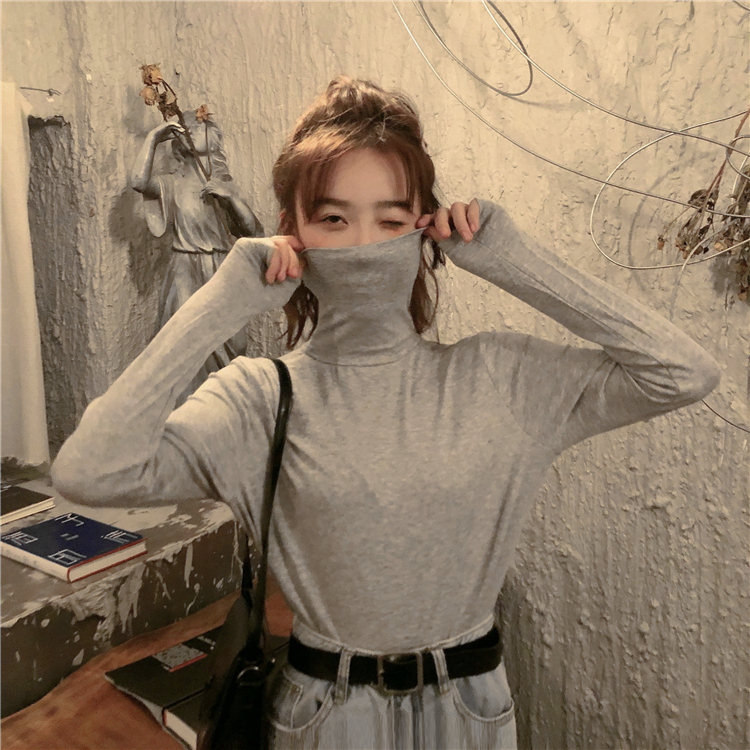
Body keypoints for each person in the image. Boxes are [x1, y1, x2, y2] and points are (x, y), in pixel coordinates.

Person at [53, 77, 719, 749]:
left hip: (472, 709)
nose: (364, 245)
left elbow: (682, 373)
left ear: (426, 229)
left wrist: (515, 261)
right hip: (326, 716)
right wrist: (216, 307)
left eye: (392, 220)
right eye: (334, 219)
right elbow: (90, 473)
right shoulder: (258, 398)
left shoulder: (499, 377)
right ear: (292, 232)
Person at [131, 109, 264, 405]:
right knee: (186, 341)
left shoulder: (222, 185)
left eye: (199, 124)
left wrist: (231, 199)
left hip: (221, 269)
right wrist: (154, 137)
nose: (191, 127)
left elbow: (253, 231)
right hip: (184, 269)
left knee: (234, 342)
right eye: (187, 125)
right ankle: (185, 411)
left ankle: (224, 409)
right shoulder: (172, 184)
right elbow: (139, 182)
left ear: (212, 138)